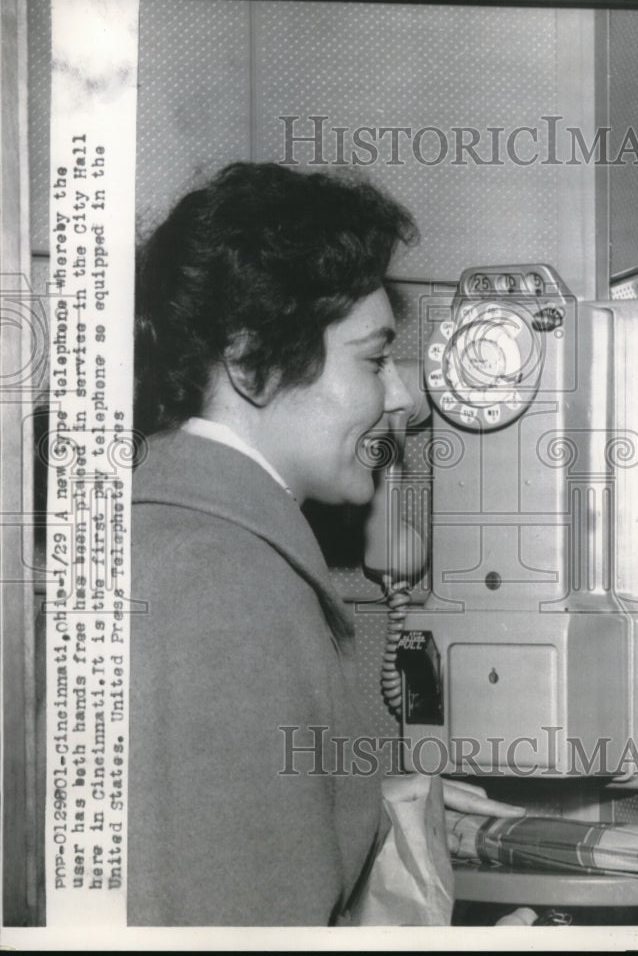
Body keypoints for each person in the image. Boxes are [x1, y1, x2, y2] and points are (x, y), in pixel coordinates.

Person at [128, 162, 419, 926]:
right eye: (374, 359)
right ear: (254, 364)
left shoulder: (185, 540)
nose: (401, 398)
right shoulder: (224, 584)